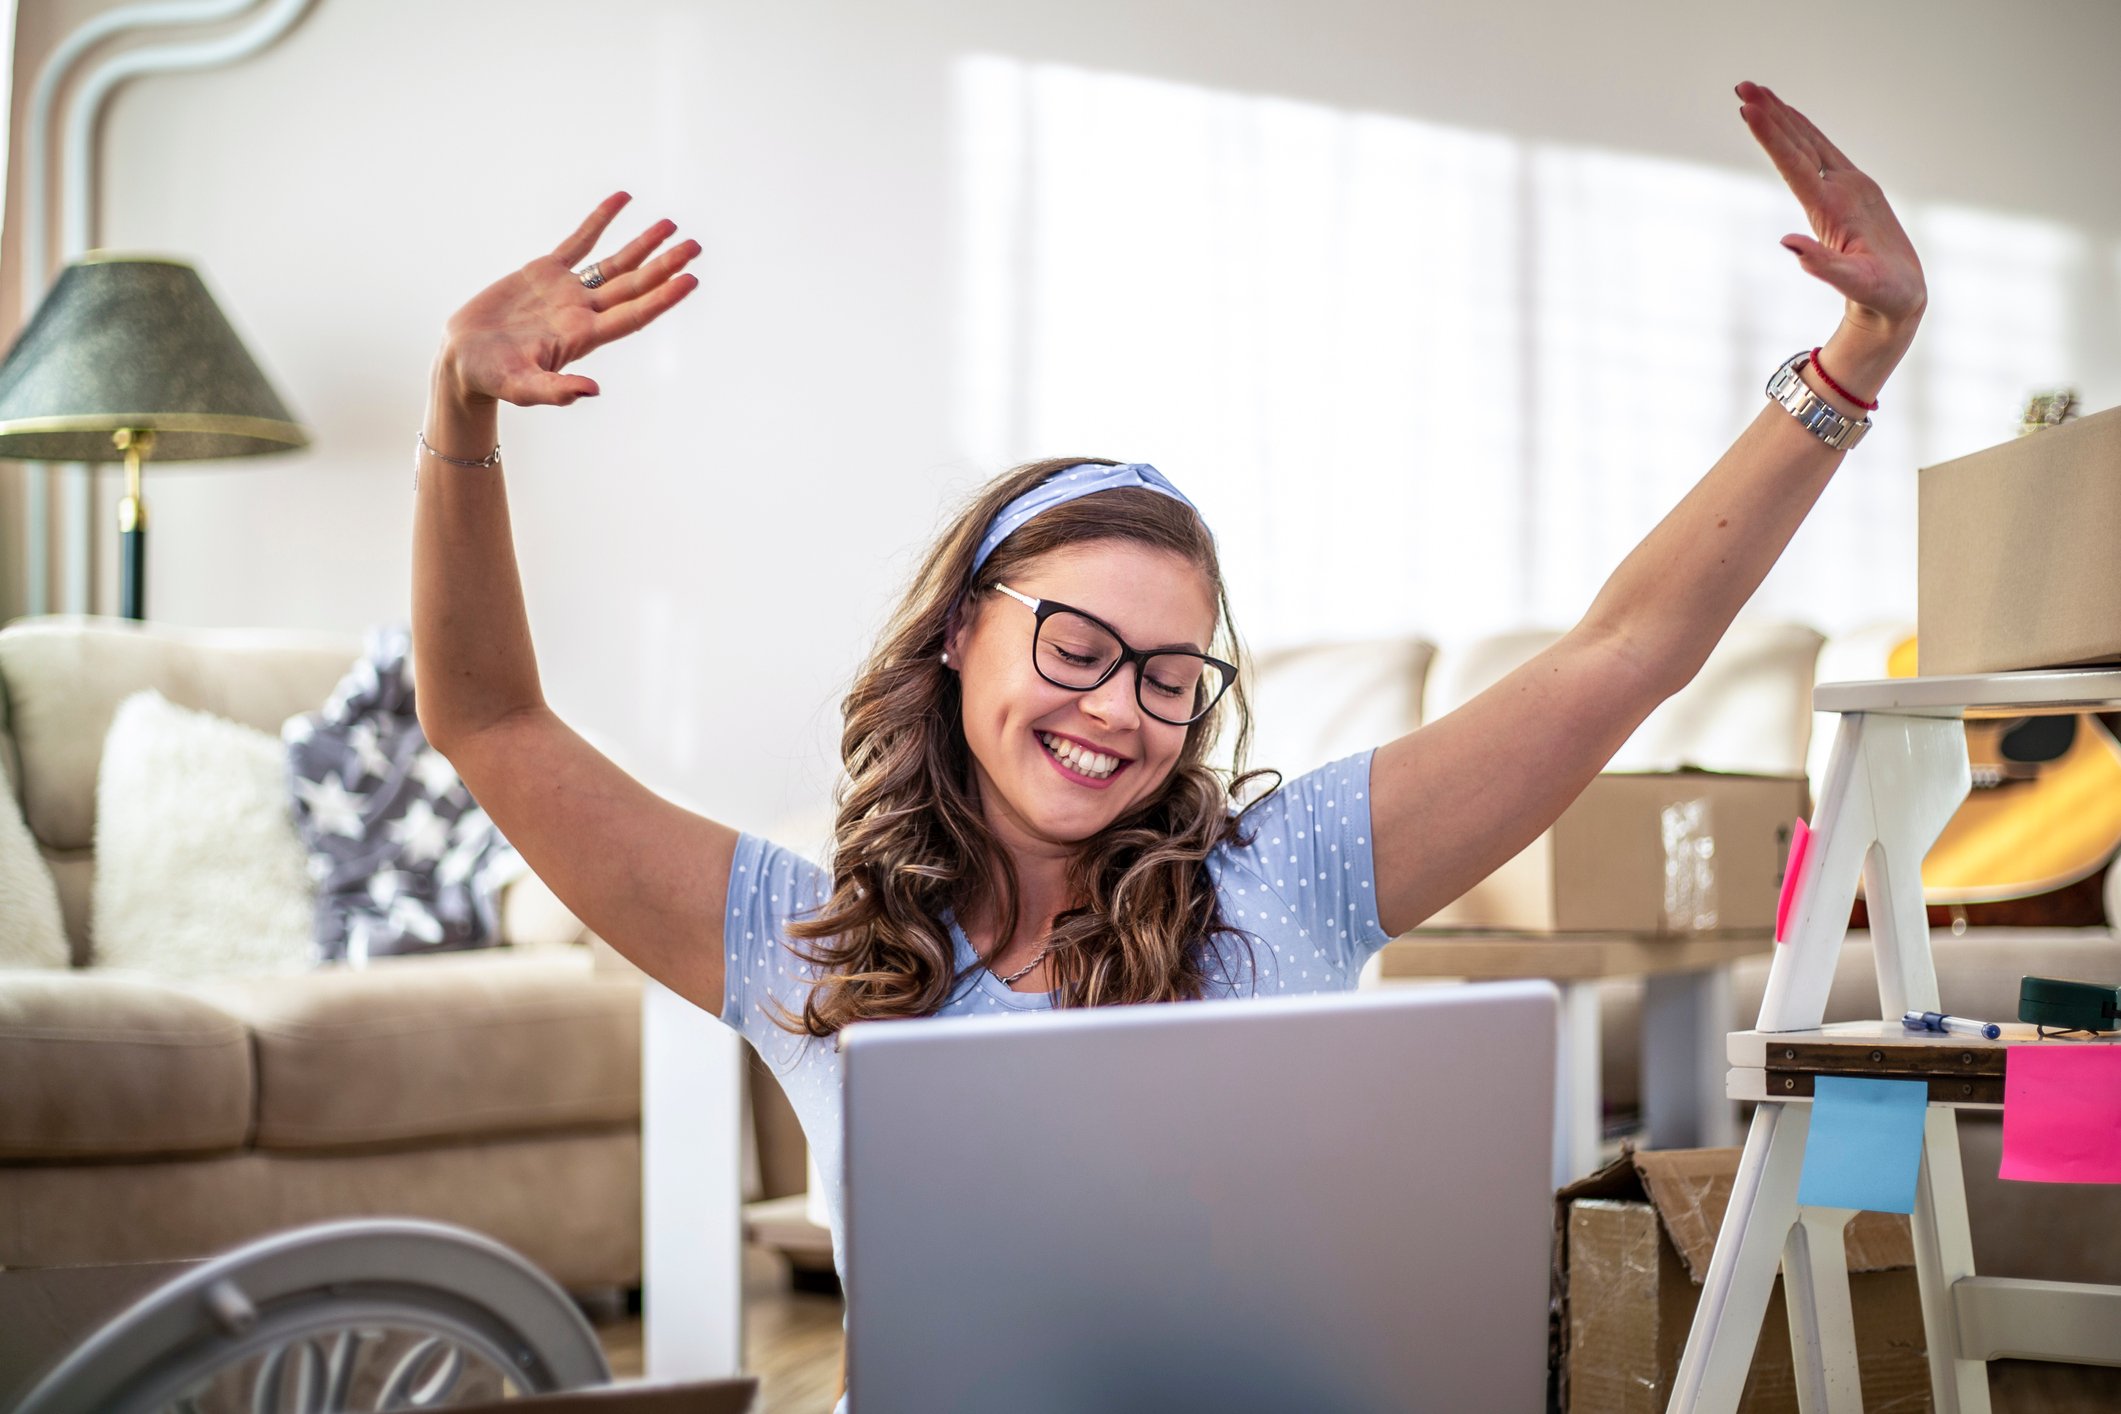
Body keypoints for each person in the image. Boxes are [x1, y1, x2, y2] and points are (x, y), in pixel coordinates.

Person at [413, 75, 1921, 1371]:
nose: (1114, 709)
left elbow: (1623, 650)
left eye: (1163, 673)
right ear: (958, 634)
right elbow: (486, 719)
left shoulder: (1291, 875)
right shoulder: (806, 944)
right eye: (1074, 645)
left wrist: (1848, 362)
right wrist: (459, 414)